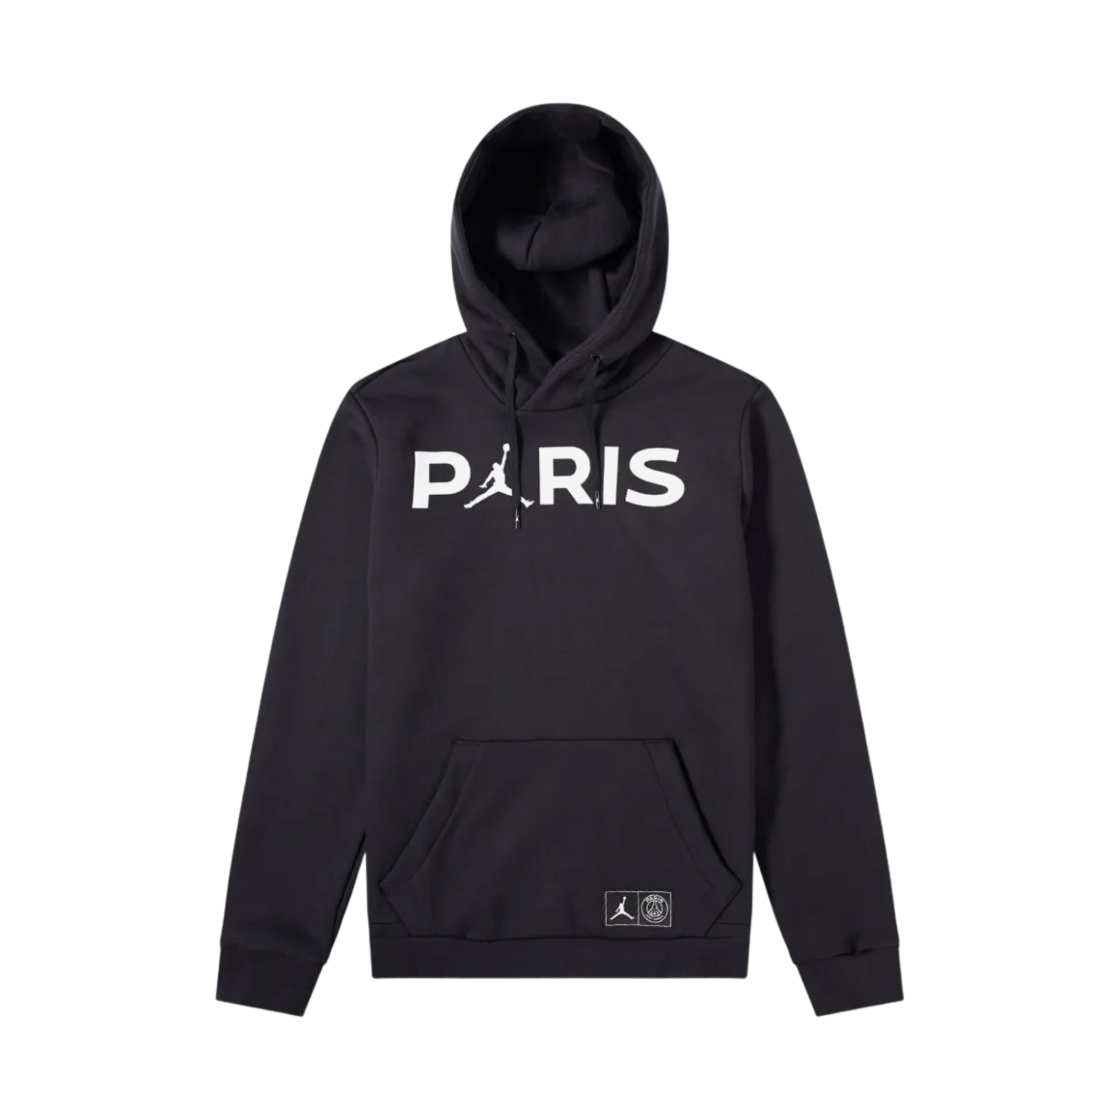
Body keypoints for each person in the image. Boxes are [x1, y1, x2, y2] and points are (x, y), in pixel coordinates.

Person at [464, 443, 534, 508]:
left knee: (515, 493)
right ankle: (471, 504)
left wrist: (505, 452)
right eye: (495, 465)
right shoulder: (493, 472)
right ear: (494, 467)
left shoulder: (500, 468)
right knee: (484, 495)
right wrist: (484, 484)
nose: (497, 465)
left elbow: (504, 459)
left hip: (503, 486)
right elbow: (488, 478)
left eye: (497, 464)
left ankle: (526, 503)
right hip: (496, 486)